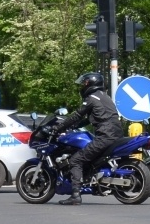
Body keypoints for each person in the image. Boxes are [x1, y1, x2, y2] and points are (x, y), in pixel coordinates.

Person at [51, 72, 127, 205]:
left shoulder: (91, 98)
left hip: (105, 136)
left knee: (75, 160)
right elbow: (89, 119)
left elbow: (77, 115)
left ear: (90, 84)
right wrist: (76, 126)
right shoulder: (105, 97)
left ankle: (75, 195)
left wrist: (59, 128)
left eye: (84, 83)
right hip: (116, 134)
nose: (82, 86)